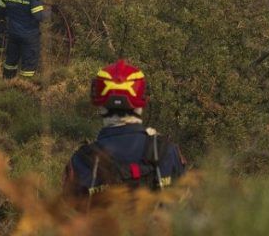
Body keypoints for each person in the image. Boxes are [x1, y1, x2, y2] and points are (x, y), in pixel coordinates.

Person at [63, 59, 186, 197]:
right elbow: (186, 204)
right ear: (142, 101)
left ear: (99, 102)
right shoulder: (166, 151)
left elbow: (66, 208)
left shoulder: (82, 161)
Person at [0, 0, 46, 80]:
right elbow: (38, 16)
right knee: (29, 63)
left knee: (10, 60)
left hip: (12, 32)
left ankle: (7, 82)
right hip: (29, 34)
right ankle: (25, 85)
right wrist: (48, 13)